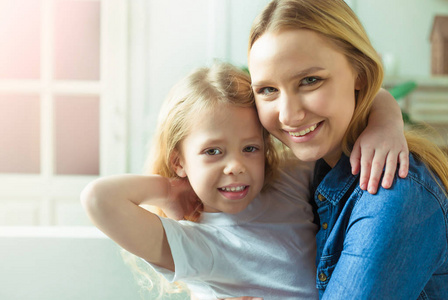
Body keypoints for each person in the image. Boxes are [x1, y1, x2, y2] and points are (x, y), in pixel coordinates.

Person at [81, 61, 408, 299]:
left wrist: (386, 124)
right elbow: (98, 199)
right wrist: (166, 189)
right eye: (213, 152)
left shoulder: (286, 182)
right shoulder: (195, 244)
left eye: (250, 148)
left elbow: (367, 94)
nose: (236, 165)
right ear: (179, 161)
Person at [240, 0, 448, 298]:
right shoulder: (304, 173)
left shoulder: (391, 193)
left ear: (360, 73)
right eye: (268, 90)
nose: (288, 115)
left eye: (310, 81)